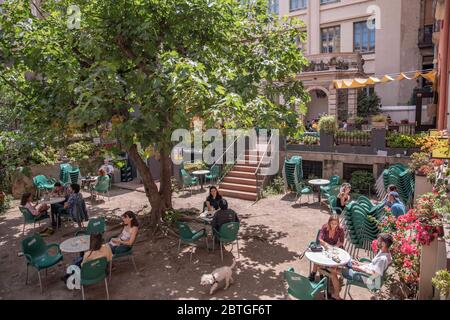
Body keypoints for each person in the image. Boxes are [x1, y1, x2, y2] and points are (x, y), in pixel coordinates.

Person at [330, 233, 393, 300]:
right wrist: (359, 263)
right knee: (348, 261)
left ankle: (336, 295)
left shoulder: (383, 259)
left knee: (333, 270)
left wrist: (358, 269)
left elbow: (375, 274)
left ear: (383, 244)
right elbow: (372, 265)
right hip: (365, 272)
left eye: (379, 240)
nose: (377, 241)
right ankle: (338, 278)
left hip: (367, 278)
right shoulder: (385, 252)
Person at [309, 215, 345, 286]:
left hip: (334, 248)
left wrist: (335, 246)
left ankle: (322, 274)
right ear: (329, 222)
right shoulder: (325, 227)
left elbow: (341, 242)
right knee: (319, 257)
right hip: (324, 246)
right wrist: (326, 245)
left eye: (335, 224)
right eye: (332, 223)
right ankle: (315, 273)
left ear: (338, 223)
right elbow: (320, 238)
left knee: (333, 259)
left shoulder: (340, 229)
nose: (334, 225)